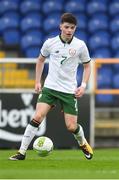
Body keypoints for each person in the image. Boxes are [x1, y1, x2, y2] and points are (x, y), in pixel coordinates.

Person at [9, 13, 93, 160]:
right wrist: (37, 81)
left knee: (71, 127)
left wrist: (83, 85)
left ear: (75, 29)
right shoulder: (50, 43)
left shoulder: (80, 45)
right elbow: (40, 60)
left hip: (68, 91)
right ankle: (21, 152)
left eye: (72, 28)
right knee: (37, 116)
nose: (69, 30)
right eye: (66, 27)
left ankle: (83, 143)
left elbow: (87, 66)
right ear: (60, 26)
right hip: (50, 88)